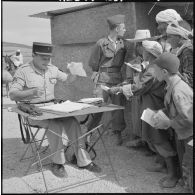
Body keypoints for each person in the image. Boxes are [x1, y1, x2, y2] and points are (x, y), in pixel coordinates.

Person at [9, 42, 101, 178]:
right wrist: (31, 92)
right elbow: (12, 95)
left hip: (52, 107)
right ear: (34, 55)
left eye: (49, 58)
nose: (47, 62)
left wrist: (74, 72)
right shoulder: (23, 71)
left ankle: (83, 160)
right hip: (34, 110)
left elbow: (68, 80)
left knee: (72, 122)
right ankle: (57, 163)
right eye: (43, 59)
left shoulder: (52, 68)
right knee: (55, 125)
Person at [110, 41, 177, 178]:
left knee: (159, 138)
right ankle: (161, 164)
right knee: (153, 136)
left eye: (144, 50)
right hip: (150, 105)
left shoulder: (153, 69)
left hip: (154, 107)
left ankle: (173, 174)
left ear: (149, 53)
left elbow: (139, 87)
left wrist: (120, 89)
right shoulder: (152, 66)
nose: (141, 51)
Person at [152, 52, 193, 188]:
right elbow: (174, 108)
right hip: (182, 132)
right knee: (184, 163)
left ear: (164, 72)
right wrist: (162, 113)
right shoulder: (171, 85)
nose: (153, 72)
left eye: (155, 69)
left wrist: (169, 122)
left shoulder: (178, 91)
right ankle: (185, 183)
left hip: (189, 135)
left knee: (189, 165)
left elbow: (189, 118)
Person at [87, 14, 128, 145]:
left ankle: (117, 133)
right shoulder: (101, 43)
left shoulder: (123, 44)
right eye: (123, 27)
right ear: (117, 28)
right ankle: (89, 131)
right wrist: (95, 75)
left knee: (117, 108)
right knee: (98, 107)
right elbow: (93, 62)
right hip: (102, 80)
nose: (125, 30)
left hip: (117, 79)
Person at [124, 30, 152, 148]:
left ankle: (151, 144)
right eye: (138, 44)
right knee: (138, 117)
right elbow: (129, 79)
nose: (140, 47)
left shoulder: (154, 61)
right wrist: (125, 87)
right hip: (137, 93)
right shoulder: (132, 63)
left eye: (143, 44)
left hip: (150, 95)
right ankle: (141, 141)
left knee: (150, 118)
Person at [166, 20, 193, 88]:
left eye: (170, 37)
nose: (168, 41)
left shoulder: (187, 51)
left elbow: (191, 80)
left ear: (180, 37)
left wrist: (171, 72)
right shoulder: (182, 50)